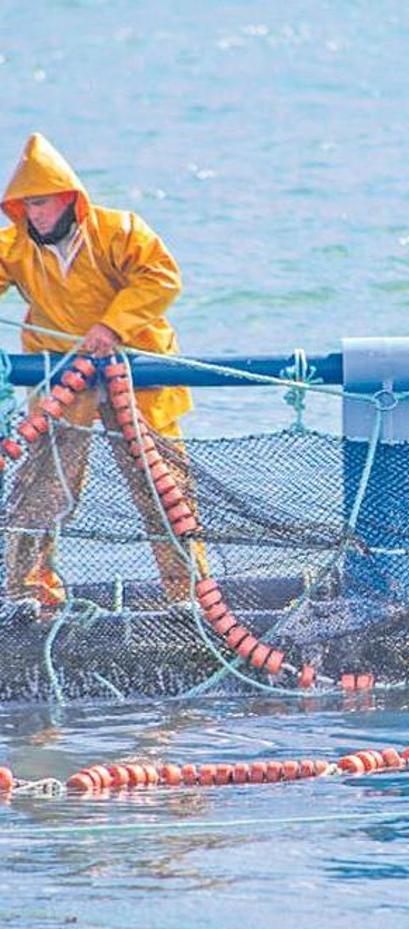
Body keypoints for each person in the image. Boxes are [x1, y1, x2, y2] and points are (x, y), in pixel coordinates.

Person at [0, 133, 196, 612]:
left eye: (42, 203)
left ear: (70, 198)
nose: (35, 215)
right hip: (64, 385)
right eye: (26, 207)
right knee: (42, 492)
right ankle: (28, 598)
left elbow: (161, 277)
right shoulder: (15, 246)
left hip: (137, 380)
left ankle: (187, 598)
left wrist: (113, 325)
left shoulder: (121, 231)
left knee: (164, 494)